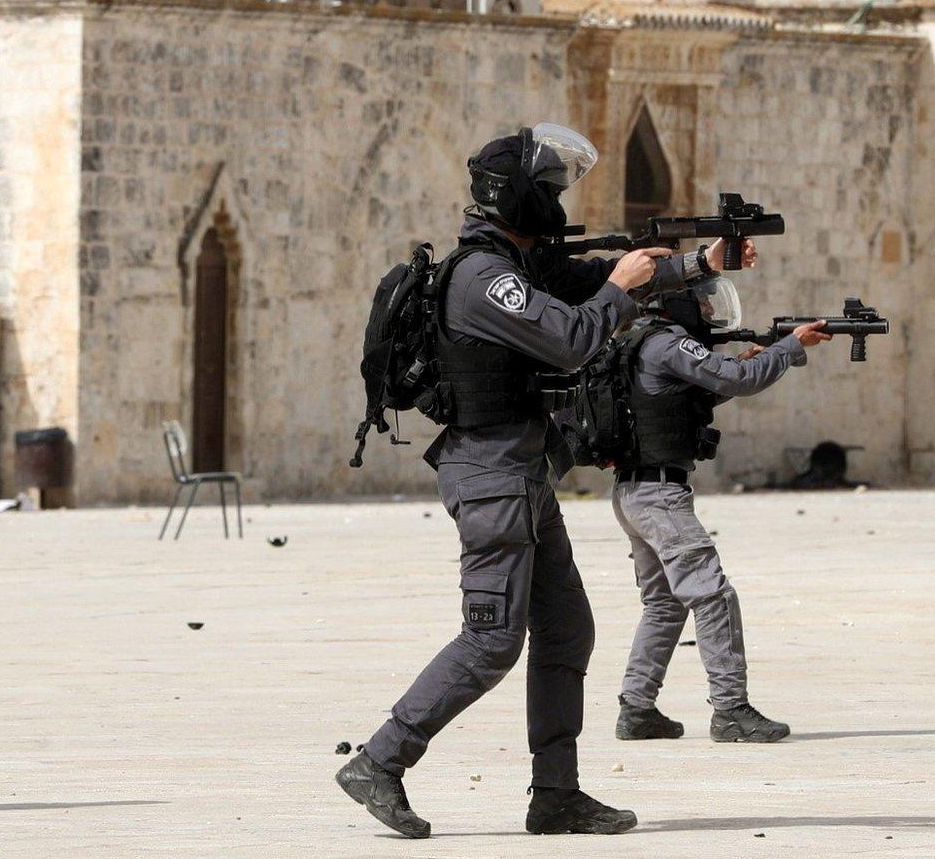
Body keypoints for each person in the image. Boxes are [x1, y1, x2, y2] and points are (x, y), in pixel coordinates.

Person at [336, 124, 749, 839]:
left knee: (567, 632)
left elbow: (586, 284)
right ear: (518, 196)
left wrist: (700, 264)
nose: (558, 202)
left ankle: (556, 794)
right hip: (491, 477)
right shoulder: (482, 278)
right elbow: (572, 335)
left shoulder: (517, 265)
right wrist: (622, 288)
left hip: (520, 472)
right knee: (491, 639)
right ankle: (380, 760)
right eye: (551, 190)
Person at [607, 276, 829, 745]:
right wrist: (788, 347)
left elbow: (693, 396)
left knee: (665, 603)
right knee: (712, 596)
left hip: (635, 492)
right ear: (677, 305)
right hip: (659, 496)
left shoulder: (637, 343)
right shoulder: (668, 343)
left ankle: (637, 708)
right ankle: (730, 710)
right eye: (700, 303)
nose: (707, 312)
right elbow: (738, 380)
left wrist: (756, 357)